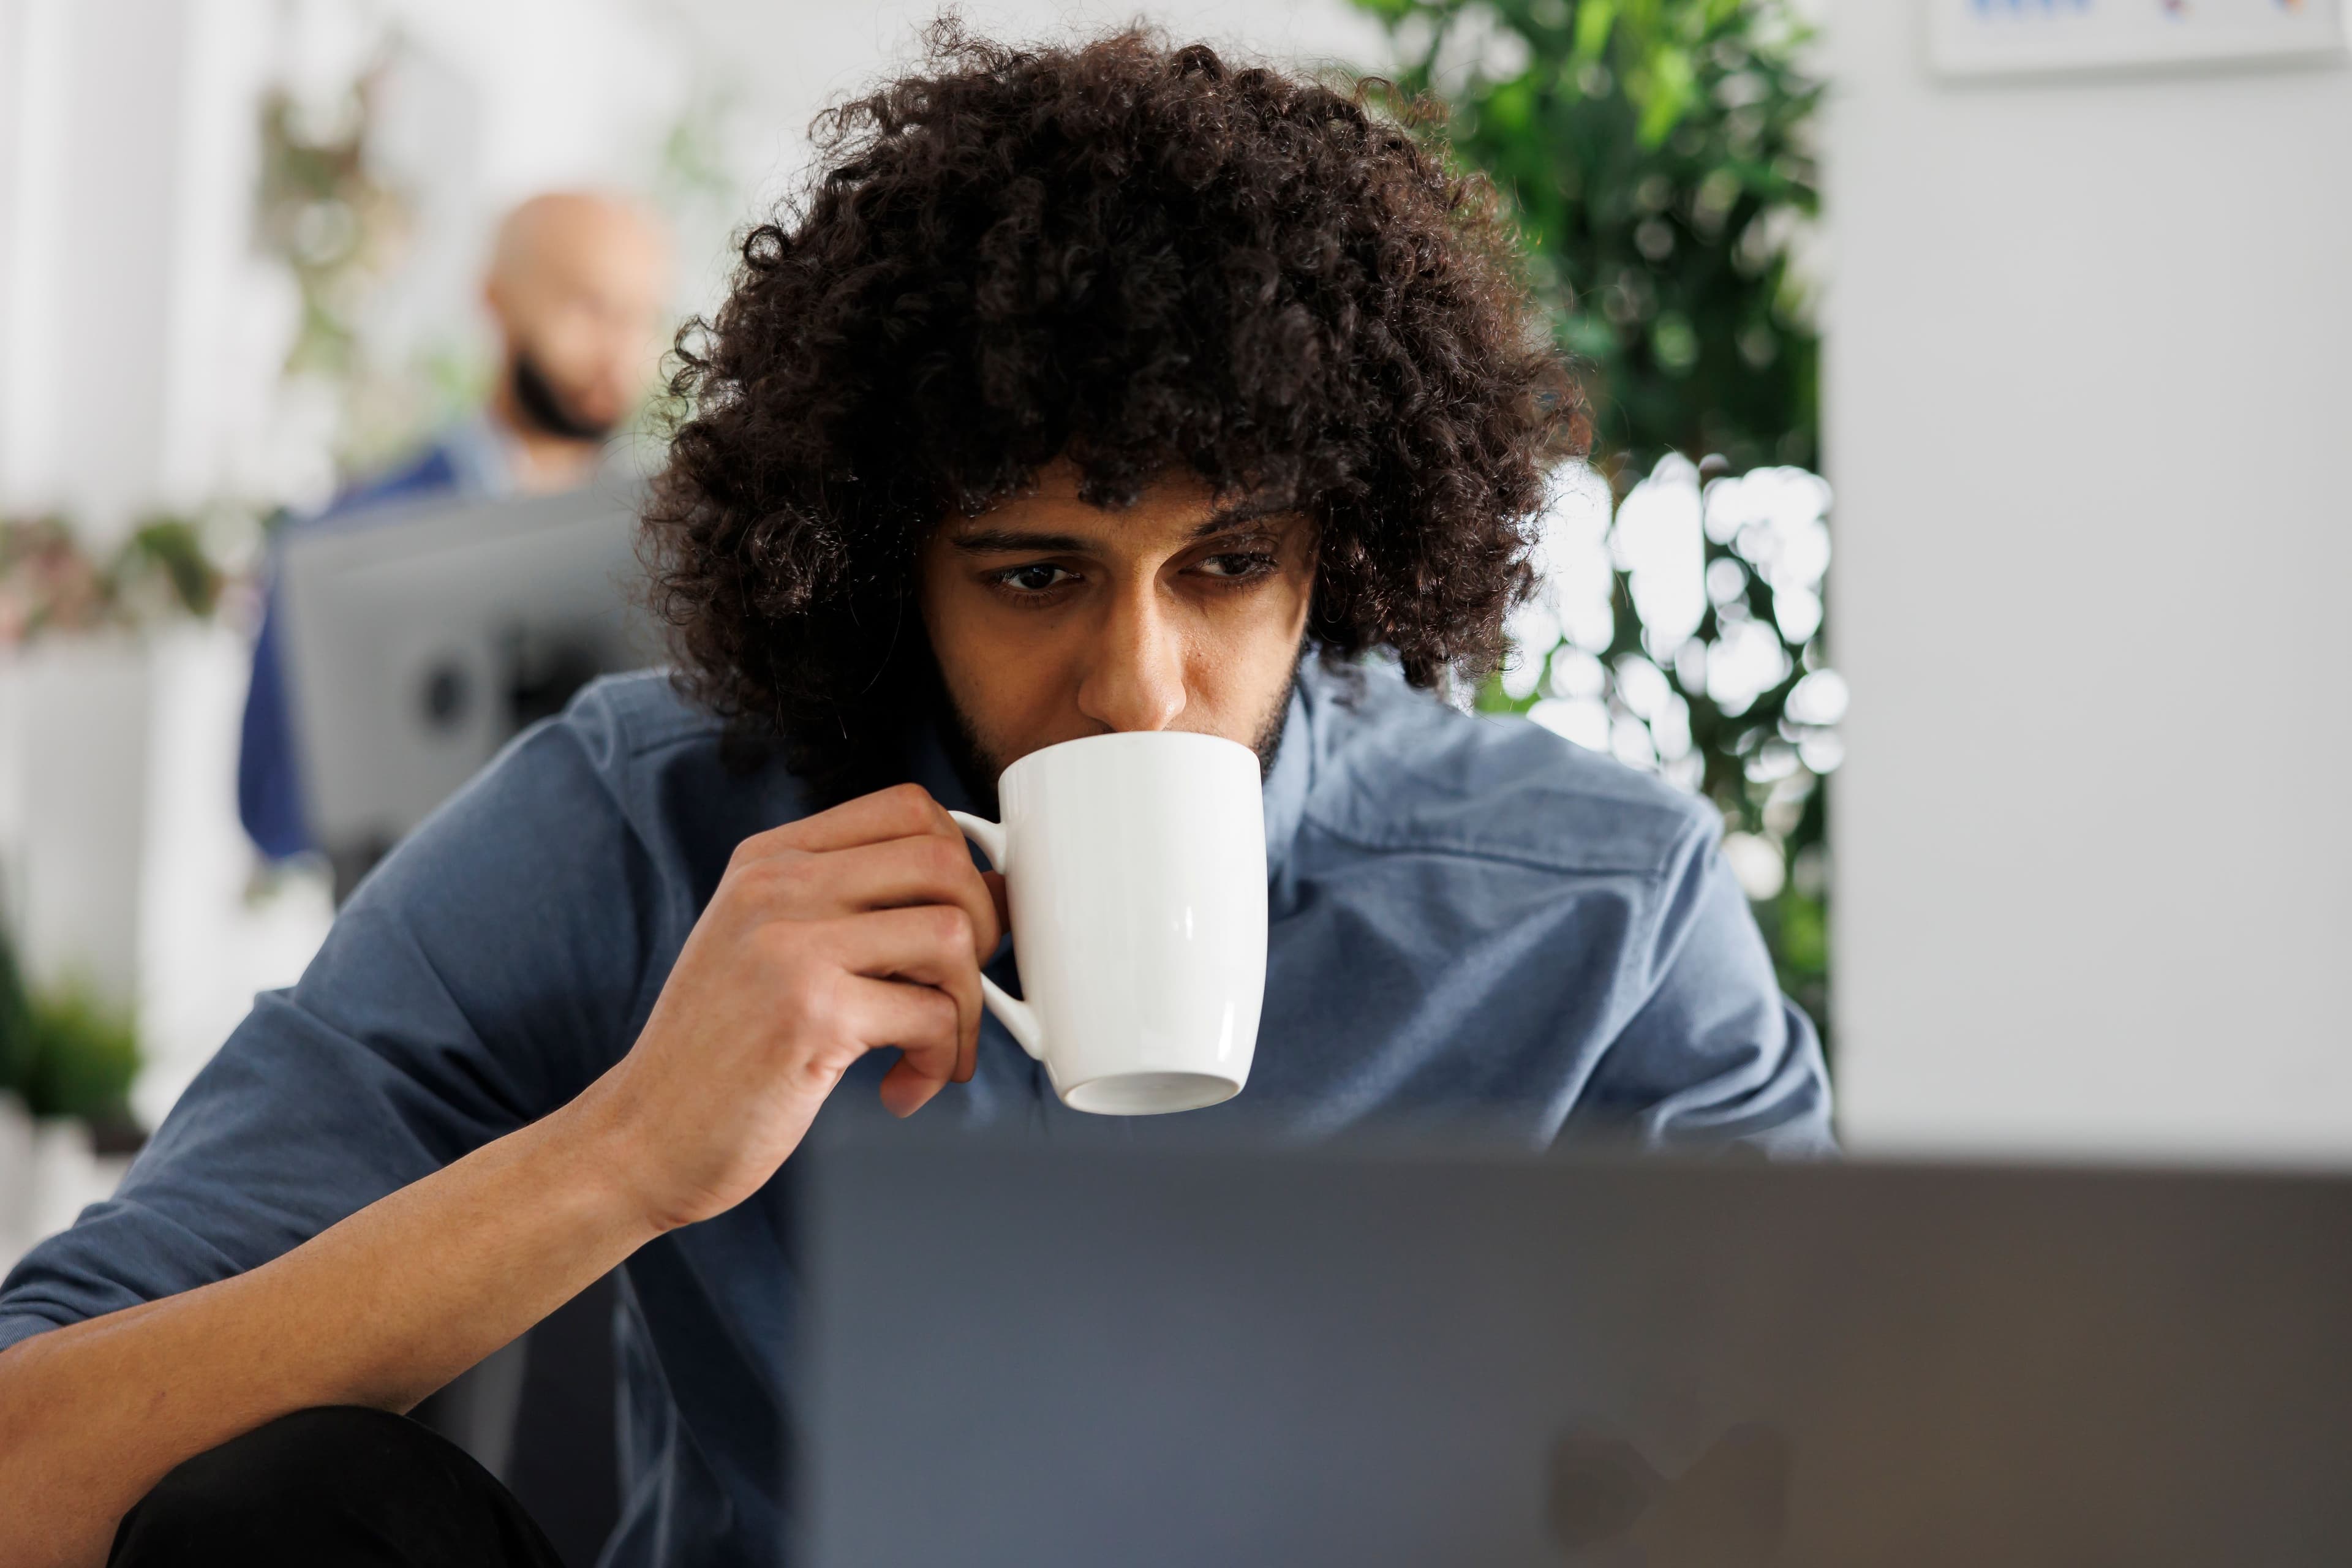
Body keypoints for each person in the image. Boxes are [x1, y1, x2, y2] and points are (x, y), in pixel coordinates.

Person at [0, 27, 1831, 1568]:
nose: (1136, 684)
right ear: (886, 564)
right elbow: (32, 1462)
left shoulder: (1597, 912)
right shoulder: (644, 824)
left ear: (1338, 560)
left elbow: (1837, 1476)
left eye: (1225, 569)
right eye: (1035, 573)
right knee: (303, 1505)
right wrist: (632, 1149)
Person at [238, 189, 673, 865]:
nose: (619, 350)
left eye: (640, 318)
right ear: (495, 301)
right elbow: (270, 810)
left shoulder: (670, 542)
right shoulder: (351, 541)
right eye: (588, 306)